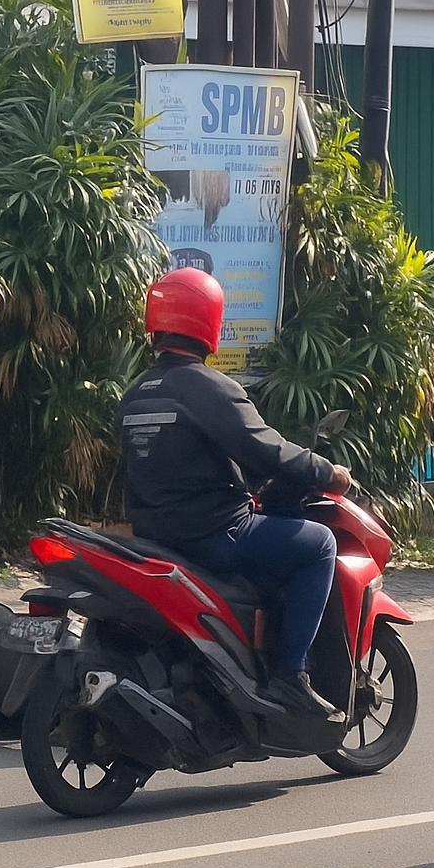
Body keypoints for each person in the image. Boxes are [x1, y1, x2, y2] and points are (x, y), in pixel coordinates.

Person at [116, 268, 351, 721]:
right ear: (209, 322)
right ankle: (290, 676)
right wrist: (328, 472)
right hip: (213, 535)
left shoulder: (135, 393)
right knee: (320, 544)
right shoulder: (211, 388)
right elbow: (266, 449)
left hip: (153, 537)